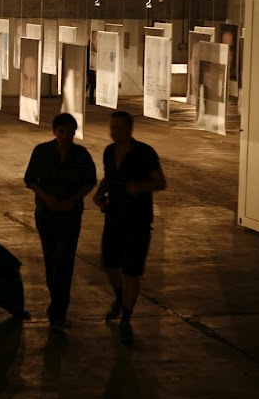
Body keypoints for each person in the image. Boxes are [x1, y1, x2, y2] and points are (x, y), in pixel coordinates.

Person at [92, 111, 167, 343]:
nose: (114, 132)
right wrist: (99, 194)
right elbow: (109, 178)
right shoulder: (109, 151)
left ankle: (126, 318)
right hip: (113, 216)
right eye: (112, 127)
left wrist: (140, 186)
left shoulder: (145, 153)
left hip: (138, 220)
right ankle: (119, 296)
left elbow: (161, 182)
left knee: (131, 271)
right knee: (109, 265)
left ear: (130, 129)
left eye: (119, 128)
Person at [23, 113, 97, 329]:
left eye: (70, 133)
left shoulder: (80, 155)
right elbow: (30, 179)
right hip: (46, 213)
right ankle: (56, 302)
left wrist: (72, 200)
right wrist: (48, 199)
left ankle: (58, 310)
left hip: (70, 215)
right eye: (62, 132)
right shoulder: (42, 152)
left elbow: (89, 182)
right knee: (51, 258)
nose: (65, 137)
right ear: (55, 132)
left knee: (65, 260)